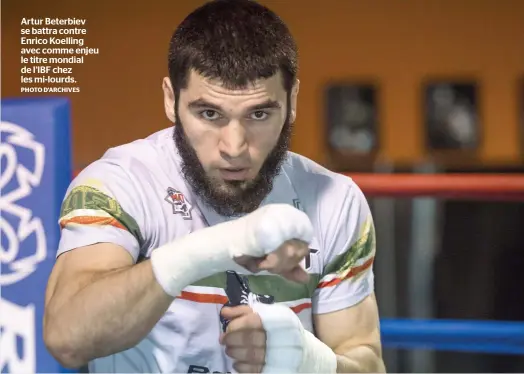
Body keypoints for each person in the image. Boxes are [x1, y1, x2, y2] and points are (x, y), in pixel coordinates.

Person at [43, 0, 385, 372]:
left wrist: (308, 360)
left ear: (292, 101)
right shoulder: (121, 183)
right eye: (209, 114)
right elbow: (67, 336)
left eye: (259, 114)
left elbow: (365, 362)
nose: (234, 147)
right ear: (171, 99)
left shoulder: (334, 201)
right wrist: (214, 248)